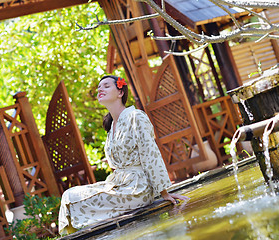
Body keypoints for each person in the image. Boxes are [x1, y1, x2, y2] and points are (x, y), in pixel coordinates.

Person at [58, 75, 189, 235]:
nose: (100, 89)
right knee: (68, 197)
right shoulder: (111, 125)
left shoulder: (136, 117)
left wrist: (164, 193)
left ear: (120, 92)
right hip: (119, 183)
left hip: (138, 188)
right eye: (99, 87)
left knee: (73, 200)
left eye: (106, 86)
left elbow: (150, 154)